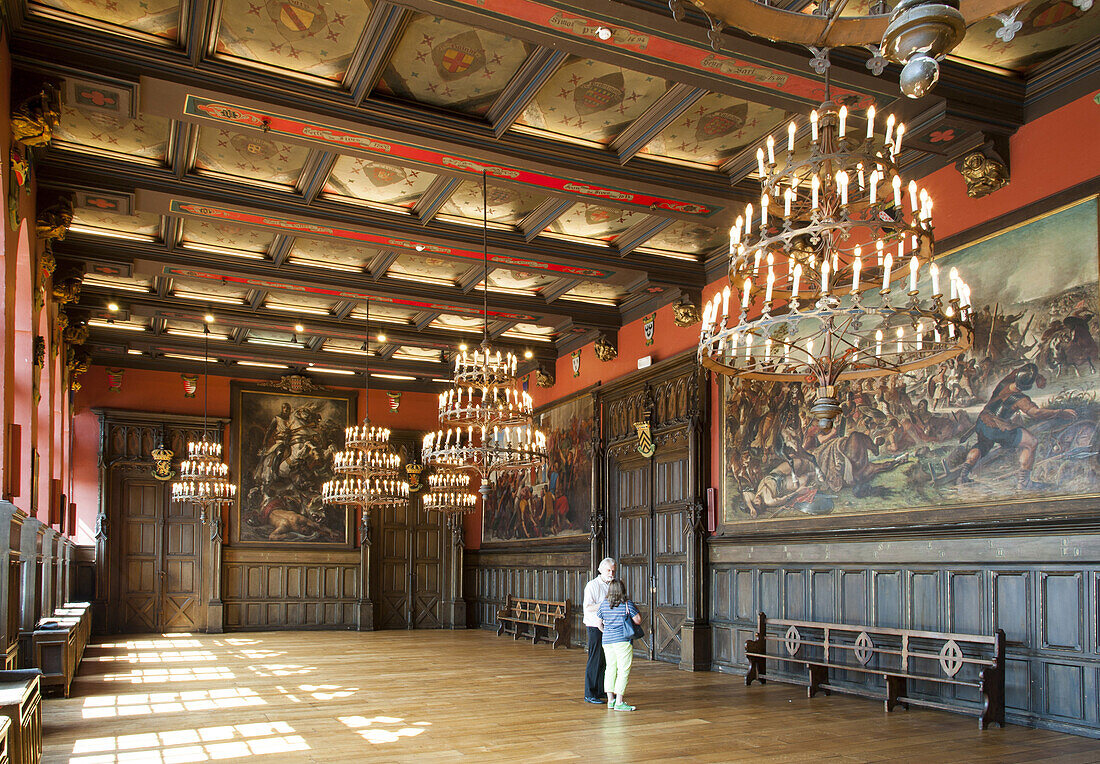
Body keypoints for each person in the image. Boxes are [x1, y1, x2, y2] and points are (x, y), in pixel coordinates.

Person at [596, 579, 642, 711]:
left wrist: (608, 632)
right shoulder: (627, 604)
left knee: (610, 668)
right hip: (623, 640)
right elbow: (637, 620)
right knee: (623, 670)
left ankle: (610, 700)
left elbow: (599, 623)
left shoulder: (604, 604)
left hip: (607, 641)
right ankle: (619, 702)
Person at [582, 557, 615, 704]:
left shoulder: (613, 585)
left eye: (613, 570)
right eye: (608, 570)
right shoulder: (592, 586)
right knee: (594, 659)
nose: (611, 573)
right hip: (594, 626)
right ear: (600, 570)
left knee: (605, 660)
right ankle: (590, 693)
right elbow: (588, 607)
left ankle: (601, 689)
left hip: (609, 627)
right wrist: (604, 604)